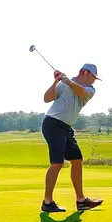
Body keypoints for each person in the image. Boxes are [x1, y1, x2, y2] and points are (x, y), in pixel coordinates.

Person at [40, 63, 103, 213]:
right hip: (52, 124)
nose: (94, 80)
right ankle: (47, 202)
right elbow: (46, 98)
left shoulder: (90, 90)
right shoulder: (64, 84)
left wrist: (66, 80)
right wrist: (56, 81)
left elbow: (80, 91)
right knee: (57, 163)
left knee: (76, 159)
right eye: (93, 76)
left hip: (66, 128)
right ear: (84, 72)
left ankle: (81, 201)